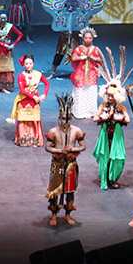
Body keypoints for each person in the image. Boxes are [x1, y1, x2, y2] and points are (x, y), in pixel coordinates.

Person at [44, 93, 86, 226]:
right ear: (59, 118)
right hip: (58, 164)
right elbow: (47, 147)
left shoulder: (76, 131)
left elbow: (83, 146)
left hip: (70, 165)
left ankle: (68, 214)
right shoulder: (53, 131)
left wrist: (72, 149)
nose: (65, 121)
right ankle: (54, 215)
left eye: (67, 118)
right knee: (54, 191)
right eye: (63, 118)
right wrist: (60, 151)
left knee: (70, 191)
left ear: (71, 118)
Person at [91, 81, 130, 190]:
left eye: (112, 96)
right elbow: (95, 118)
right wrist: (103, 117)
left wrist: (120, 118)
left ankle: (112, 179)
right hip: (105, 134)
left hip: (116, 135)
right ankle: (104, 178)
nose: (109, 98)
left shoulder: (121, 107)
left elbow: (127, 119)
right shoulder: (103, 106)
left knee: (117, 157)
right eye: (108, 95)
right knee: (105, 157)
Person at [8, 54, 49, 147]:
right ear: (23, 64)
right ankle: (23, 140)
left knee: (34, 119)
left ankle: (35, 140)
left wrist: (44, 94)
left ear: (33, 64)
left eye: (30, 63)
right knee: (23, 119)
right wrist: (33, 97)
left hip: (35, 102)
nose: (28, 65)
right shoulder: (20, 75)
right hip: (24, 100)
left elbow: (47, 83)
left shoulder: (37, 74)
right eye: (26, 64)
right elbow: (22, 90)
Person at [69, 27, 104, 119]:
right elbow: (73, 58)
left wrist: (93, 58)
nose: (88, 40)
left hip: (92, 74)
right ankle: (79, 112)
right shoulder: (79, 48)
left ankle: (90, 112)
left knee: (91, 92)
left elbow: (102, 59)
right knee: (80, 92)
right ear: (83, 38)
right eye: (86, 38)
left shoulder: (96, 49)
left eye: (90, 38)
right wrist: (83, 57)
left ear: (93, 38)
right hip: (80, 74)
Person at [0, 11, 23, 93]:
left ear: (7, 18)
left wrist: (13, 44)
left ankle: (7, 85)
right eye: (1, 18)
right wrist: (4, 45)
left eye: (4, 18)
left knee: (8, 67)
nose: (3, 20)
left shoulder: (9, 27)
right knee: (0, 68)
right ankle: (0, 86)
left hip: (8, 50)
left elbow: (20, 34)